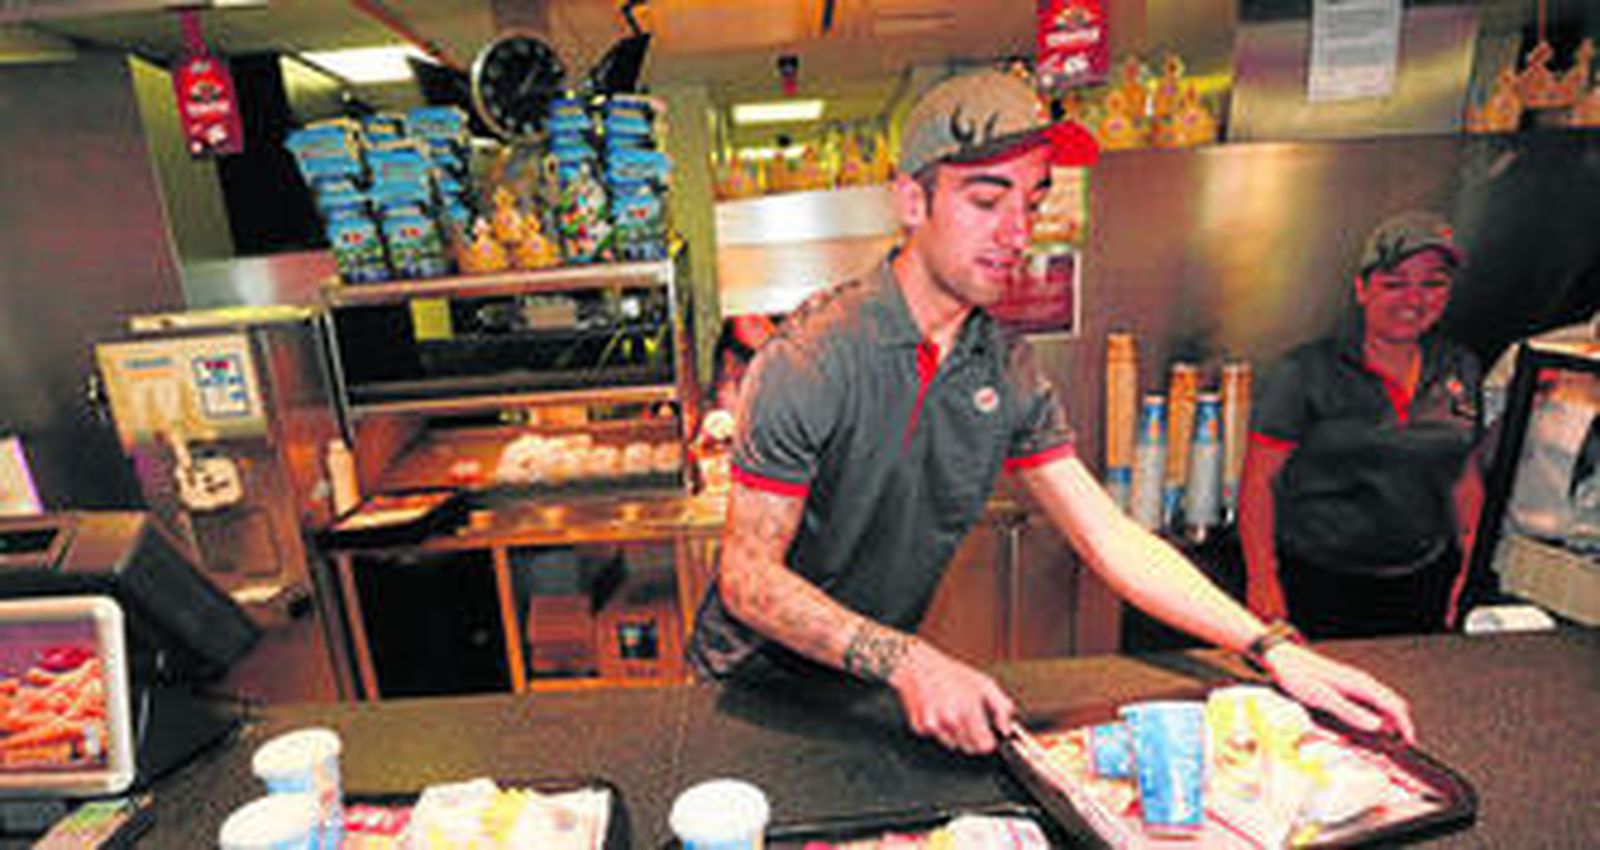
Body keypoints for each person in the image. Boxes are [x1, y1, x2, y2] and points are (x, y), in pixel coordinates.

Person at [687, 69, 1415, 756]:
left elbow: (1109, 539)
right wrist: (907, 659)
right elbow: (748, 579)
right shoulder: (815, 356)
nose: (1016, 231)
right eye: (986, 199)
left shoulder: (1004, 366)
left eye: (1031, 202)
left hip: (869, 691)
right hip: (751, 690)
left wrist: (1270, 648)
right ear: (913, 201)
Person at [1239, 212, 1485, 640]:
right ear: (1361, 289)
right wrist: (1262, 581)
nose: (1414, 298)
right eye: (1394, 283)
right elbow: (1259, 482)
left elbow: (1464, 476)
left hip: (1423, 583)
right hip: (1316, 584)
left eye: (1433, 283)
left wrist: (1471, 567)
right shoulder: (1305, 371)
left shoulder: (1460, 367)